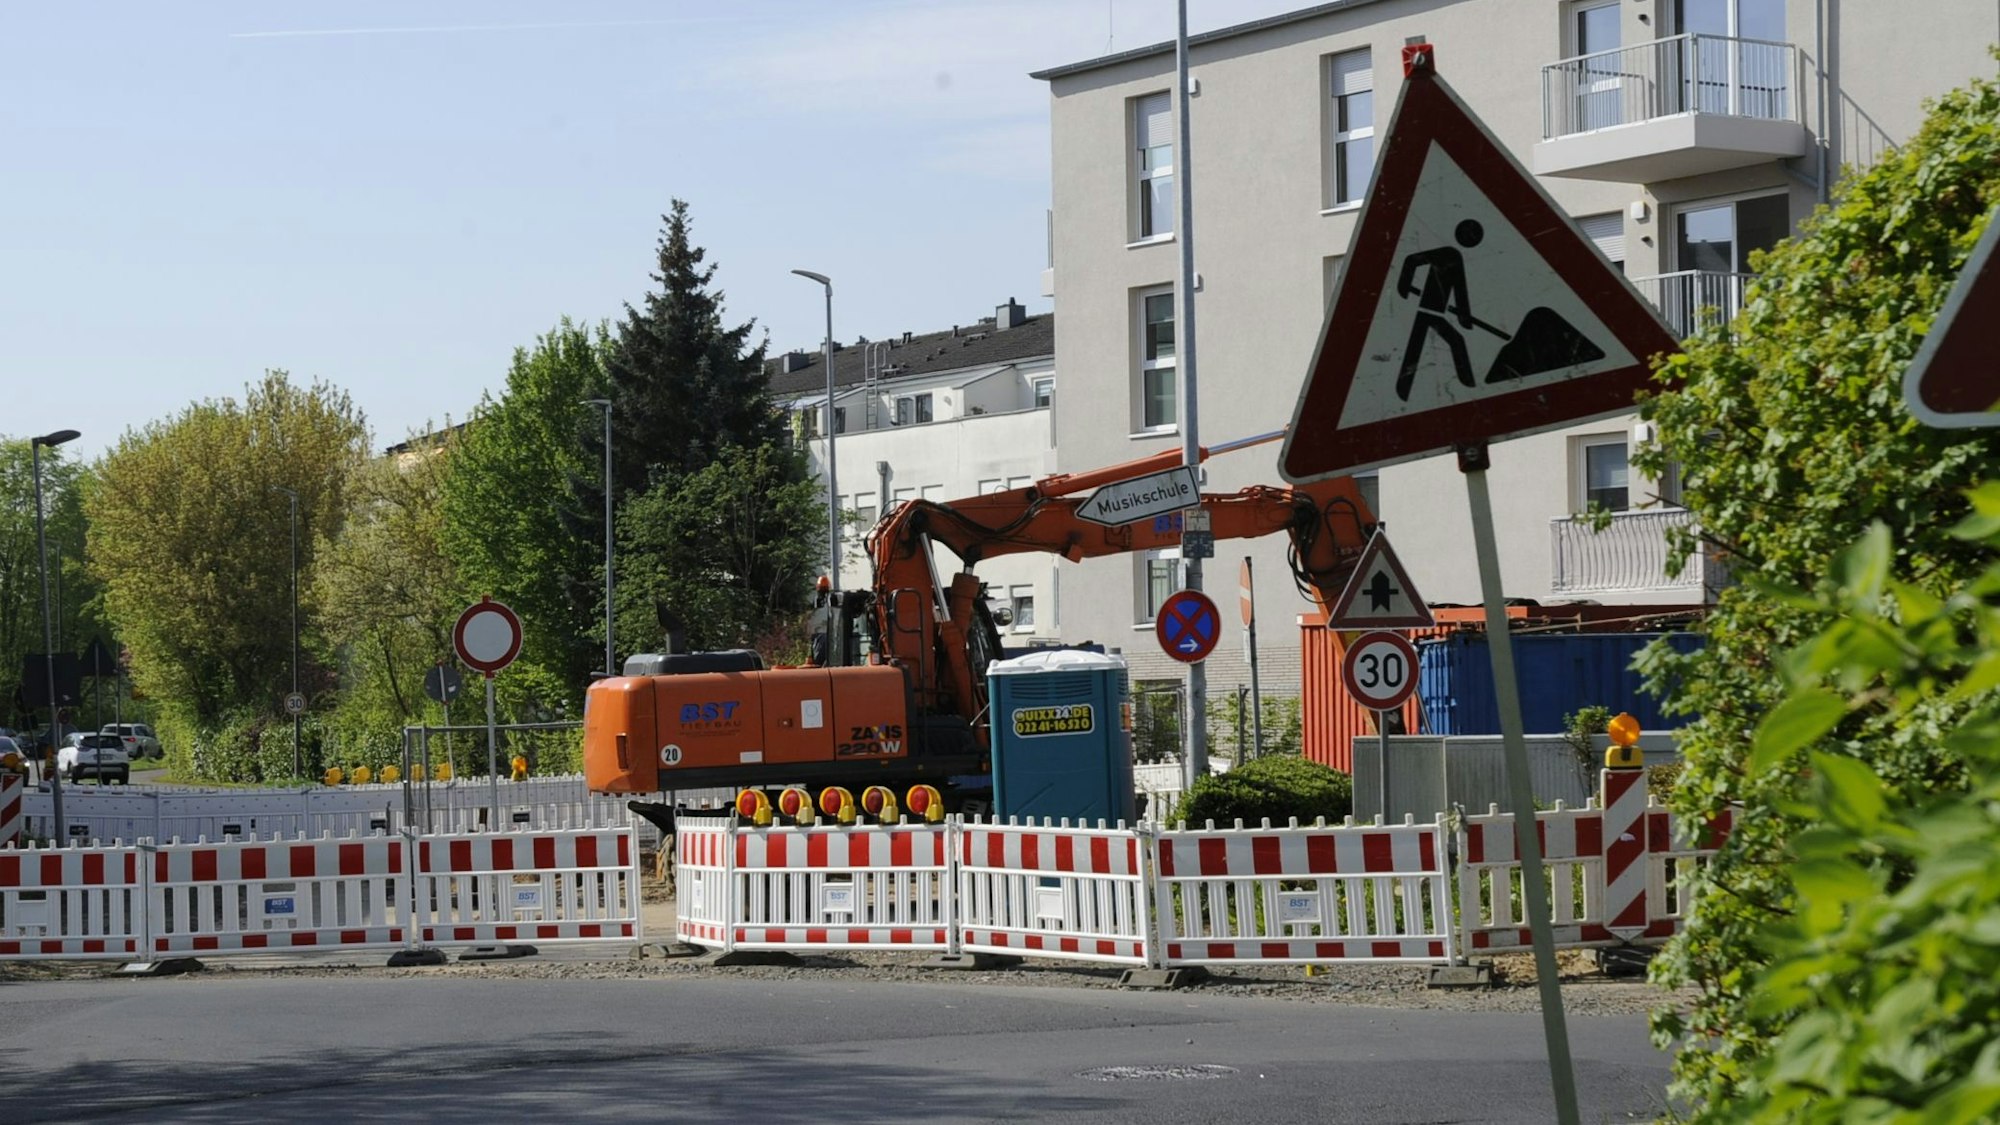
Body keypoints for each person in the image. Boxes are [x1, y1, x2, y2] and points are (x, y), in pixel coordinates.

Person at [1393, 219, 1486, 400]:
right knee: (1450, 342)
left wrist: (1463, 317)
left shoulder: (1455, 257)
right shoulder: (1448, 253)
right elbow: (1411, 260)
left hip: (1435, 312)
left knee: (1420, 347)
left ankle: (1402, 390)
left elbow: (1460, 291)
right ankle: (1469, 385)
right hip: (1427, 311)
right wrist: (1403, 285)